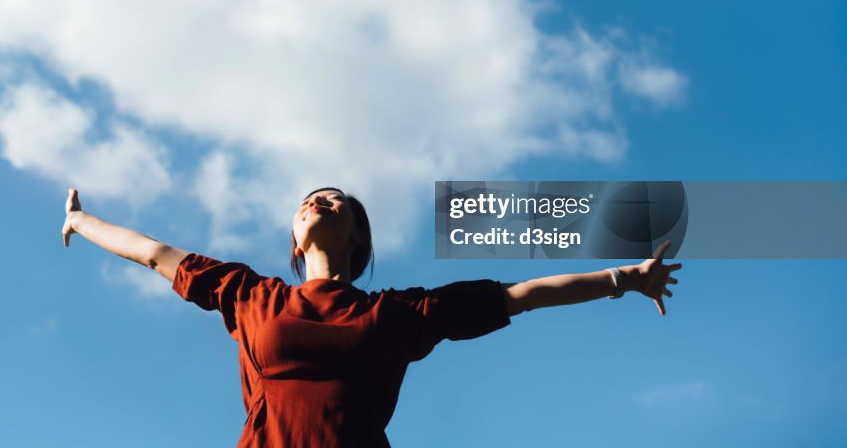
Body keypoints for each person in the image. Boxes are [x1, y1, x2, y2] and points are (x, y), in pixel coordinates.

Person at [61, 186, 681, 447]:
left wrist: (623, 279)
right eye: (308, 202)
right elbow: (151, 253)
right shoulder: (251, 295)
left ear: (358, 236)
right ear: (296, 238)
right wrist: (80, 221)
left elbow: (519, 295)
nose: (320, 201)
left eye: (336, 200)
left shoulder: (400, 312)